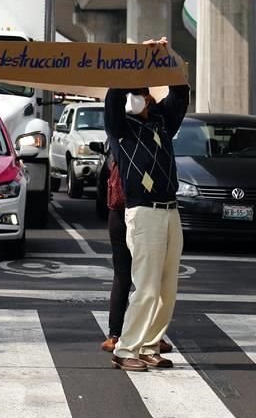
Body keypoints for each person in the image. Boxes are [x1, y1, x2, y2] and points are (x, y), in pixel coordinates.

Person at [104, 37, 190, 372]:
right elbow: (112, 96)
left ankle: (151, 344)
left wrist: (166, 55)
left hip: (170, 210)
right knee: (148, 286)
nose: (133, 98)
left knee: (167, 287)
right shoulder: (120, 130)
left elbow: (180, 92)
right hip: (144, 211)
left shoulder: (162, 122)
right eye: (131, 92)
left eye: (139, 92)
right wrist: (132, 57)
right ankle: (127, 349)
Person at [100, 138, 171, 356]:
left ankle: (115, 334)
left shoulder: (117, 148)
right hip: (141, 214)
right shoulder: (149, 153)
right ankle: (148, 335)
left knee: (123, 275)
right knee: (148, 278)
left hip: (118, 214)